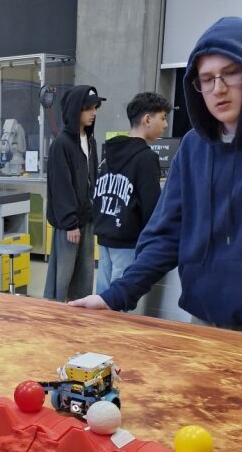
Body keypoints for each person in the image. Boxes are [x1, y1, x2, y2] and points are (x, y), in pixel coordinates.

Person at [70, 16, 242, 329]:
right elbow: (166, 232)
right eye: (207, 78)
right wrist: (116, 294)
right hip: (203, 320)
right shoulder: (193, 148)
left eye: (231, 73)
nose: (218, 89)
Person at [94, 91, 171, 293]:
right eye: (163, 118)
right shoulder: (147, 158)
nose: (165, 125)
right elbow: (151, 207)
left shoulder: (109, 153)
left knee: (102, 296)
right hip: (128, 241)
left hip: (104, 236)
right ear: (147, 119)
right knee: (121, 299)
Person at [44, 85, 106, 302]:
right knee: (63, 276)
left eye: (95, 108)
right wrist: (70, 223)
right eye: (88, 108)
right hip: (69, 223)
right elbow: (61, 185)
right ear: (75, 110)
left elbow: (92, 179)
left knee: (85, 273)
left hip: (87, 218)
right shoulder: (61, 144)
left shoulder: (91, 141)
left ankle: (79, 312)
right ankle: (59, 313)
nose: (94, 113)